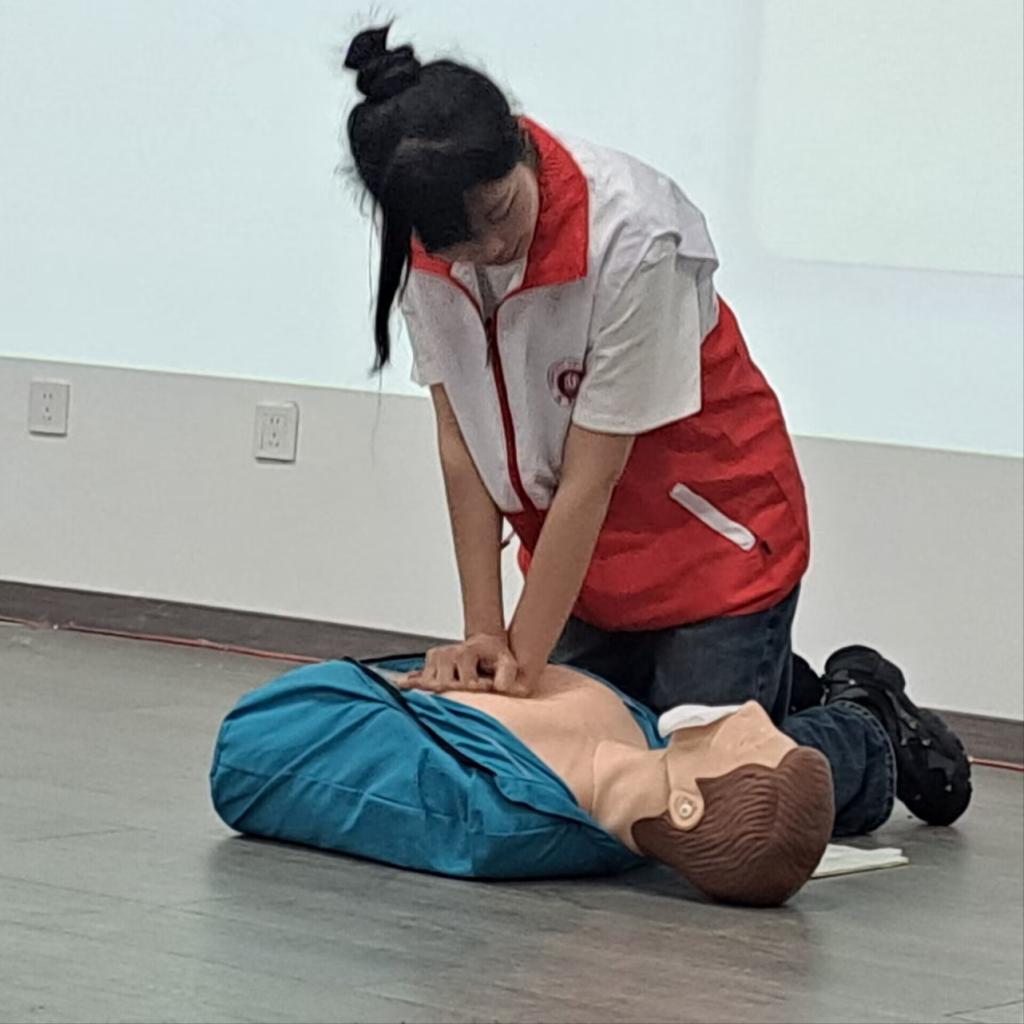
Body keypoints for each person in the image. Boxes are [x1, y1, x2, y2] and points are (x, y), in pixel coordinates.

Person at [341, 25, 971, 829]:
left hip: (713, 546)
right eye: (464, 244)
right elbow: (461, 448)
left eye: (501, 212)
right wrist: (483, 637)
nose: (494, 248)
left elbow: (593, 476)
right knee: (566, 773)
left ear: (519, 144)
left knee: (703, 801)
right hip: (587, 566)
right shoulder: (427, 249)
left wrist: (520, 667)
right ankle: (782, 691)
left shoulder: (634, 234)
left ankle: (867, 724)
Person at [211, 657, 835, 906]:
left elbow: (247, 755)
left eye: (746, 742)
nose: (749, 713)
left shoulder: (489, 814)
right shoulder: (642, 736)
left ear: (688, 806)